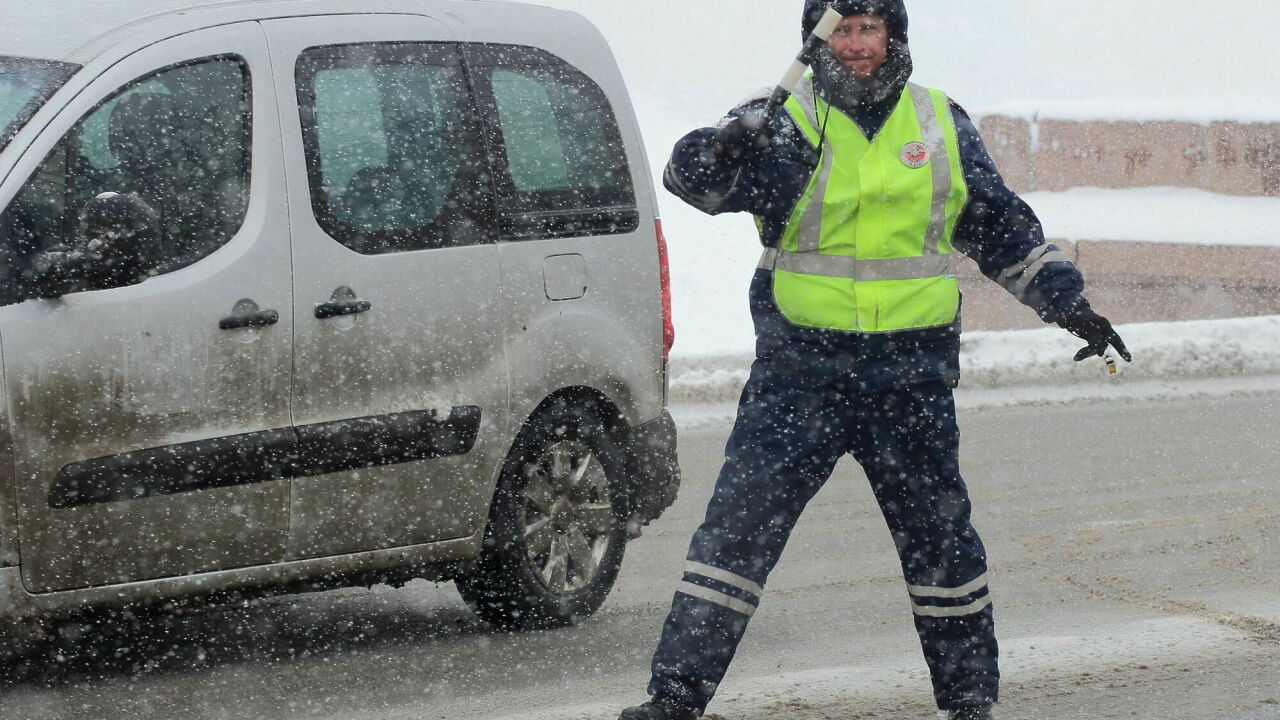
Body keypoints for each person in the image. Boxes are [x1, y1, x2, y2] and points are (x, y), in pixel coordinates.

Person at [617, 2, 1131, 719]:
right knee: (733, 541)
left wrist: (1068, 304)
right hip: (800, 376)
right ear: (817, 40)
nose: (858, 46)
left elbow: (998, 226)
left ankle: (969, 702)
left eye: (871, 29)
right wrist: (725, 143)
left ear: (894, 37)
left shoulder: (938, 122)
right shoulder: (782, 122)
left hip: (910, 382)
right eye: (844, 29)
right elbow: (691, 182)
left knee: (943, 549)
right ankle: (673, 699)